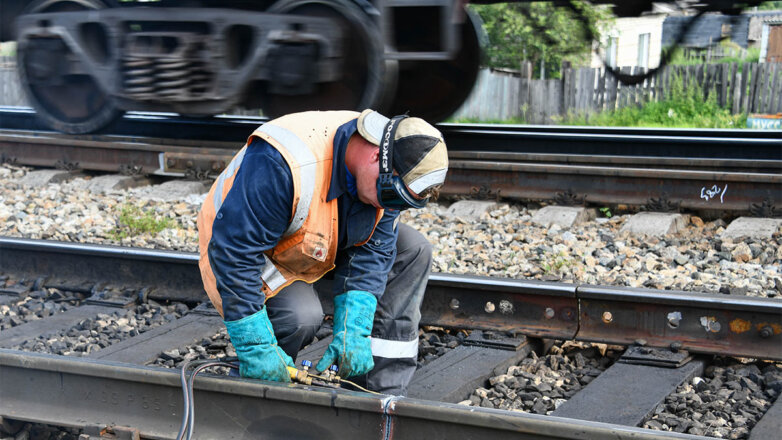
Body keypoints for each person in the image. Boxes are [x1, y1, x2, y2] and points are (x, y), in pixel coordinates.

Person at [197, 109, 448, 395]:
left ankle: (375, 393)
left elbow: (374, 251)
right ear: (376, 157)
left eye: (404, 204)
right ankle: (264, 382)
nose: (390, 207)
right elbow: (235, 253)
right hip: (243, 248)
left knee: (413, 249)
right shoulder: (283, 162)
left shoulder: (387, 174)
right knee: (300, 316)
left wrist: (353, 329)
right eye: (392, 197)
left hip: (316, 241)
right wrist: (254, 345)